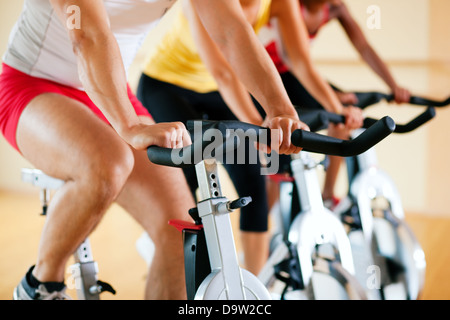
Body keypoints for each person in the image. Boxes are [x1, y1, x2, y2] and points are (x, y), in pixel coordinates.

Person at [0, 0, 307, 300]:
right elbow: (87, 34)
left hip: (109, 93)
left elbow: (232, 31)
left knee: (178, 231)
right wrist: (129, 126)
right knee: (110, 161)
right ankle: (41, 285)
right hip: (31, 84)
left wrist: (280, 110)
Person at [136, 0, 363, 275]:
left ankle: (256, 284)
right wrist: (257, 125)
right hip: (166, 86)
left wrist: (338, 112)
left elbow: (299, 60)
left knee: (253, 183)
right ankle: (167, 256)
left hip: (214, 91)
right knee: (187, 185)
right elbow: (223, 71)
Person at [261, 0, 411, 205]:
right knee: (280, 155)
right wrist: (332, 98)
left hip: (294, 76)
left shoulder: (335, 8)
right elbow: (292, 58)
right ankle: (266, 221)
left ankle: (327, 195)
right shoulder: (290, 5)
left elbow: (364, 47)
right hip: (267, 77)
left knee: (340, 118)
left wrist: (394, 87)